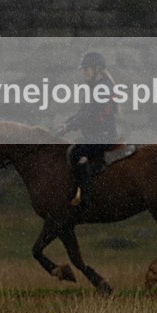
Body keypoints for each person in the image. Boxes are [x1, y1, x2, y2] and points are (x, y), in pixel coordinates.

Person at [57, 51, 118, 207]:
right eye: (84, 69)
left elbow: (89, 114)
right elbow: (83, 111)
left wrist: (69, 127)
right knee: (71, 150)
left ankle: (86, 199)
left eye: (87, 68)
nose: (85, 72)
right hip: (95, 136)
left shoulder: (102, 87)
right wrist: (67, 123)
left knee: (78, 154)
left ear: (97, 69)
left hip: (103, 136)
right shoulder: (96, 86)